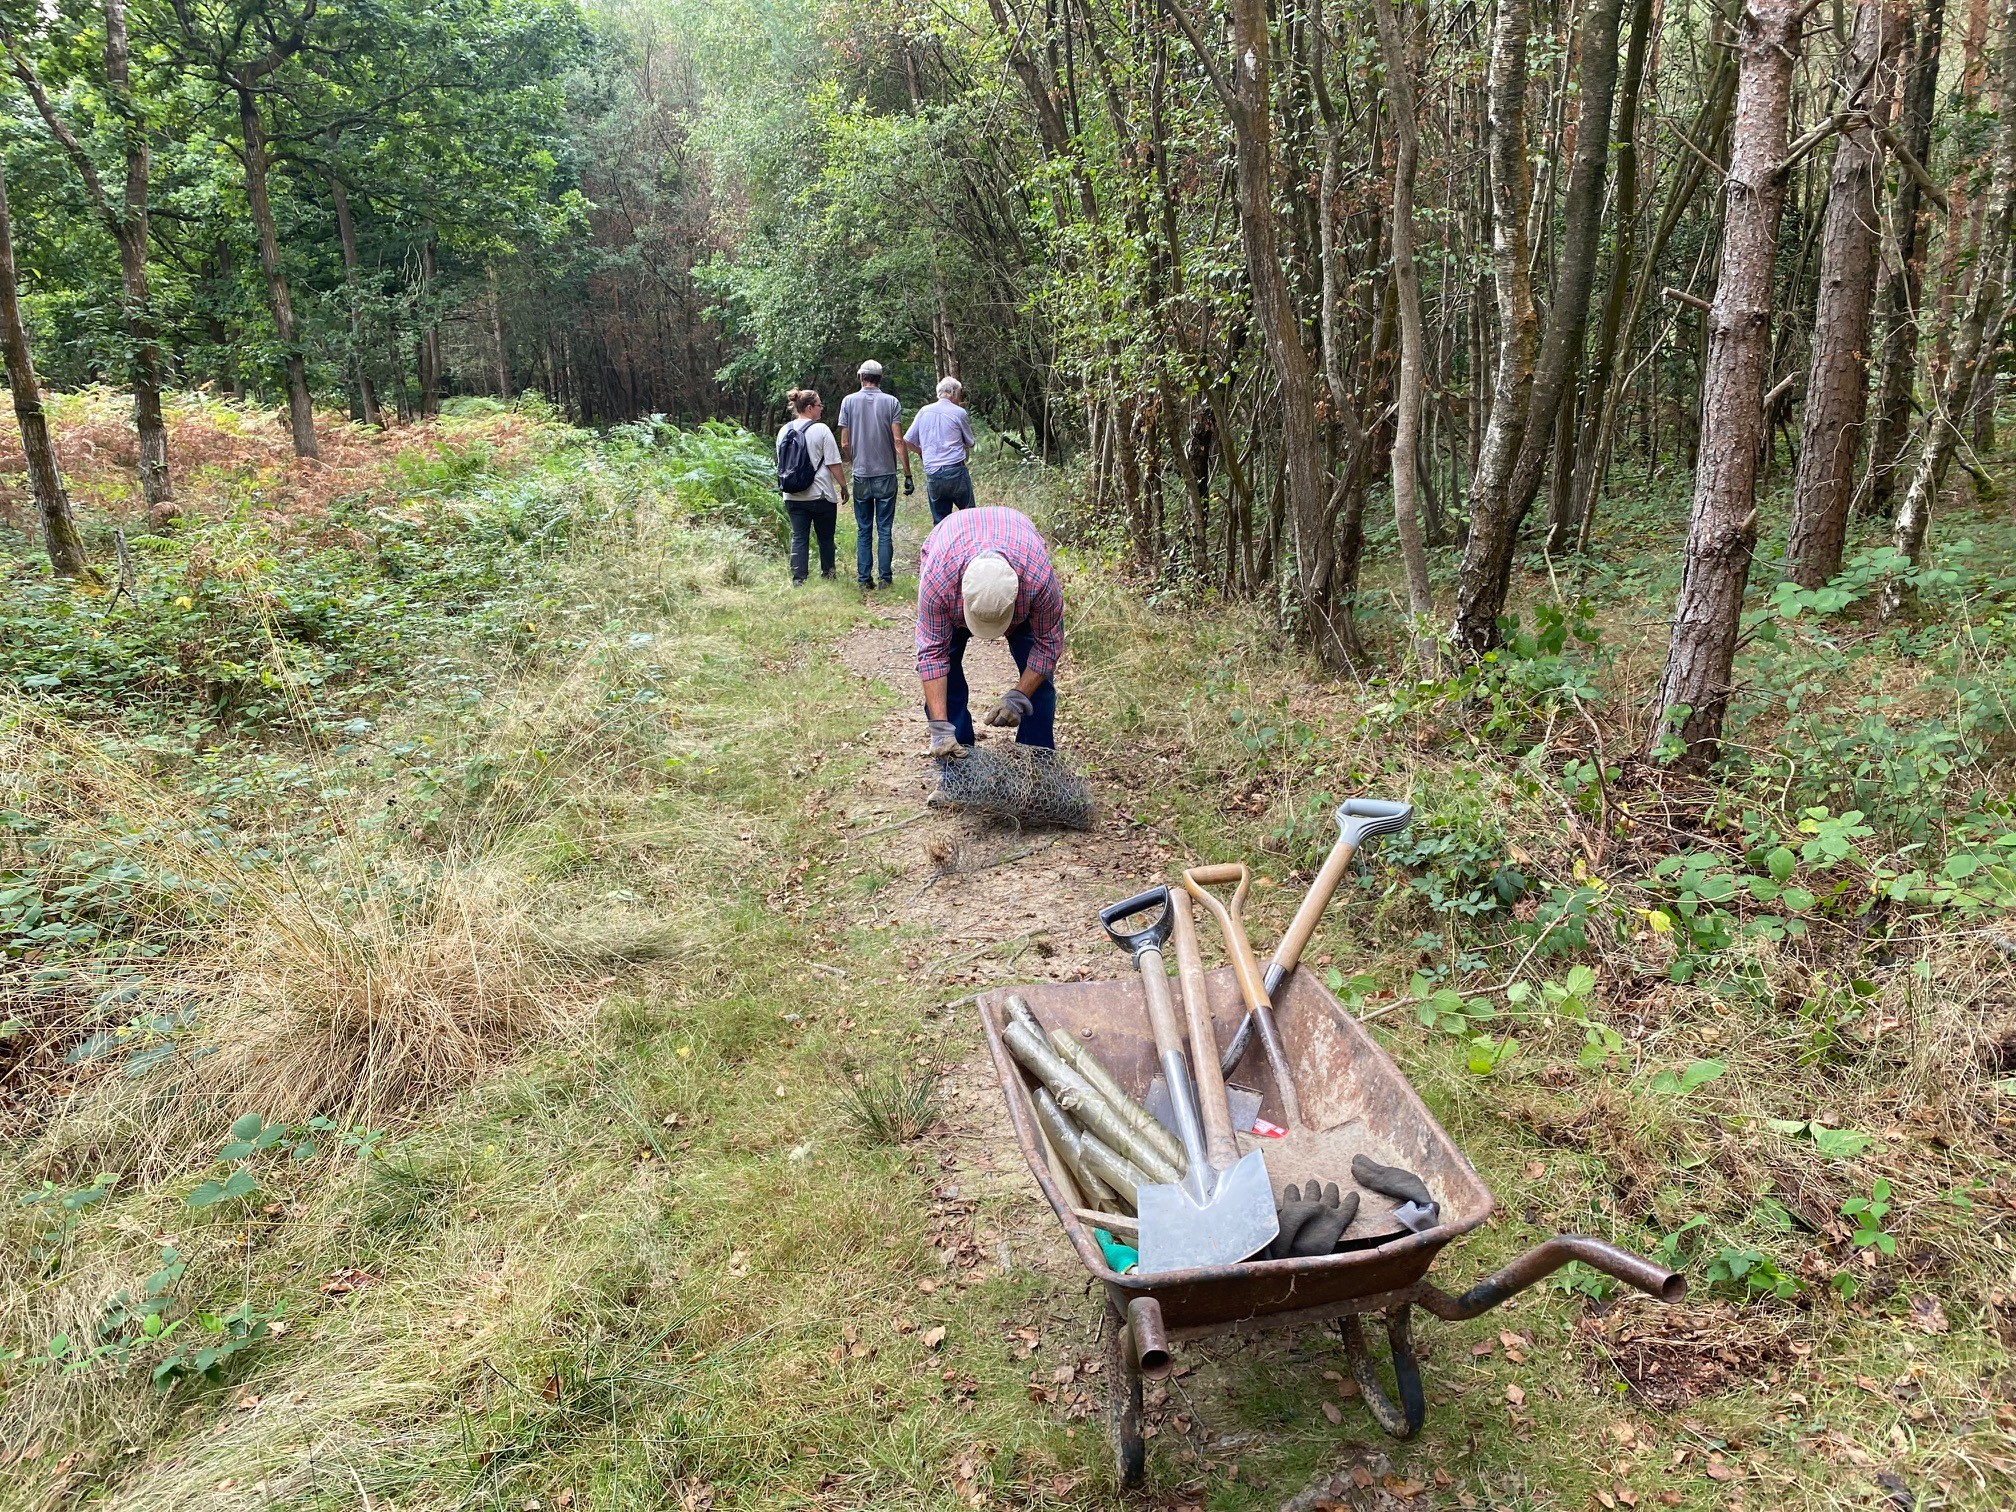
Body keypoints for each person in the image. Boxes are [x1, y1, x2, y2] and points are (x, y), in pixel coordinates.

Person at [915, 506, 1062, 757]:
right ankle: (957, 767)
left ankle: (1036, 764)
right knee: (947, 677)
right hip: (952, 548)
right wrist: (939, 728)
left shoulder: (1038, 581)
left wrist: (1020, 695)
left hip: (1019, 552)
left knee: (1039, 685)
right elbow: (932, 657)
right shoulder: (938, 582)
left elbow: (1047, 646)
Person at [837, 360, 911, 589]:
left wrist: (855, 460)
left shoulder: (848, 402)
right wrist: (907, 473)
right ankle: (885, 579)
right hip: (886, 473)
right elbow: (898, 441)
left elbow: (845, 443)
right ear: (880, 379)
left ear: (861, 377)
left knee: (864, 528)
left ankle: (863, 579)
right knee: (885, 528)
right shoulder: (892, 402)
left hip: (861, 474)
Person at [776, 388, 847, 585]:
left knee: (799, 537)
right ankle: (828, 575)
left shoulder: (784, 430)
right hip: (820, 494)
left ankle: (799, 580)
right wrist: (843, 486)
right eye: (819, 405)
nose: (821, 409)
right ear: (809, 408)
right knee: (825, 537)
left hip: (792, 495)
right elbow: (833, 462)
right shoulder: (821, 429)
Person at [904, 376, 977, 523]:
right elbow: (970, 442)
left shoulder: (924, 411)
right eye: (959, 394)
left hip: (934, 474)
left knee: (940, 522)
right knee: (970, 518)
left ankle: (942, 545)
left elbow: (907, 440)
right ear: (954, 393)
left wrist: (921, 451)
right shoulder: (959, 412)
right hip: (956, 471)